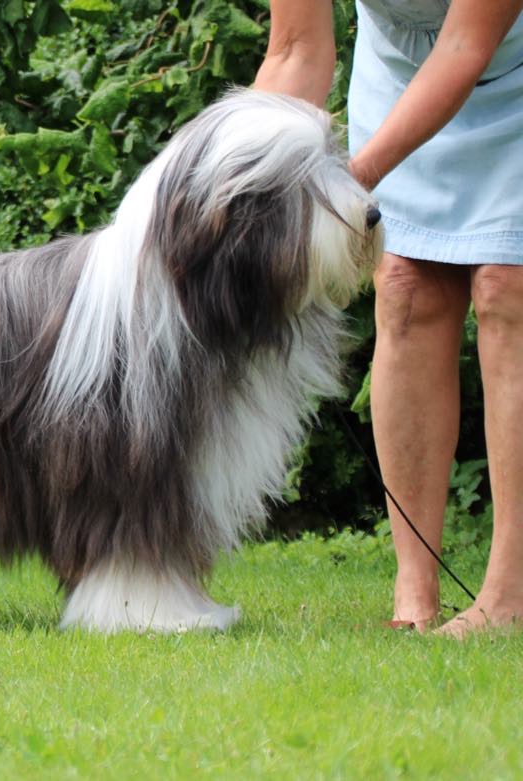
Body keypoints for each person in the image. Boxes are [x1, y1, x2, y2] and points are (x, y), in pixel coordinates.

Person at [254, 0, 523, 636]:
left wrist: (344, 185)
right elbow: (295, 51)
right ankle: (415, 591)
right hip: (399, 73)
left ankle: (510, 593)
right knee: (404, 289)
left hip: (504, 61)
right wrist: (248, 179)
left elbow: (464, 47)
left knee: (506, 289)